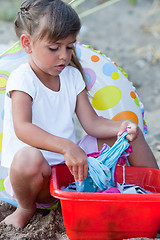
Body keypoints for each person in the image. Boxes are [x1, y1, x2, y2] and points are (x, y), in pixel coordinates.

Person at [1, 0, 158, 229]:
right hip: (40, 182)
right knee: (28, 159)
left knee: (129, 132)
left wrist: (121, 126)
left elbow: (92, 123)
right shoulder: (23, 79)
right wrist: (66, 146)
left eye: (69, 46)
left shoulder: (72, 76)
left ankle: (154, 192)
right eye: (54, 48)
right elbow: (23, 128)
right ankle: (26, 208)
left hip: (72, 171)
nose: (63, 56)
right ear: (27, 43)